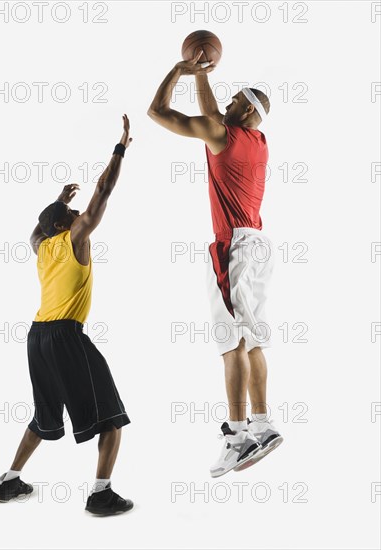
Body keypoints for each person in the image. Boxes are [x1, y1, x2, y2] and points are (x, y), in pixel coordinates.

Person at [148, 52, 283, 477]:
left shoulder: (223, 134)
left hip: (235, 248)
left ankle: (238, 435)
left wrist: (179, 71)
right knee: (254, 339)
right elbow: (213, 113)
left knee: (231, 343)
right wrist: (203, 76)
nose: (223, 103)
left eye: (232, 100)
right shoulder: (257, 141)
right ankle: (263, 424)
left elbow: (158, 112)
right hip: (258, 243)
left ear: (244, 109)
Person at [0, 115, 134, 515]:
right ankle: (101, 494)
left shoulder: (43, 247)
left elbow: (33, 232)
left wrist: (60, 200)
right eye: (72, 217)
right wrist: (120, 148)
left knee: (45, 414)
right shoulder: (73, 239)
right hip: (66, 337)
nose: (81, 219)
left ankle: (9, 481)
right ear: (64, 225)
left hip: (37, 337)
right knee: (111, 415)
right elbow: (103, 192)